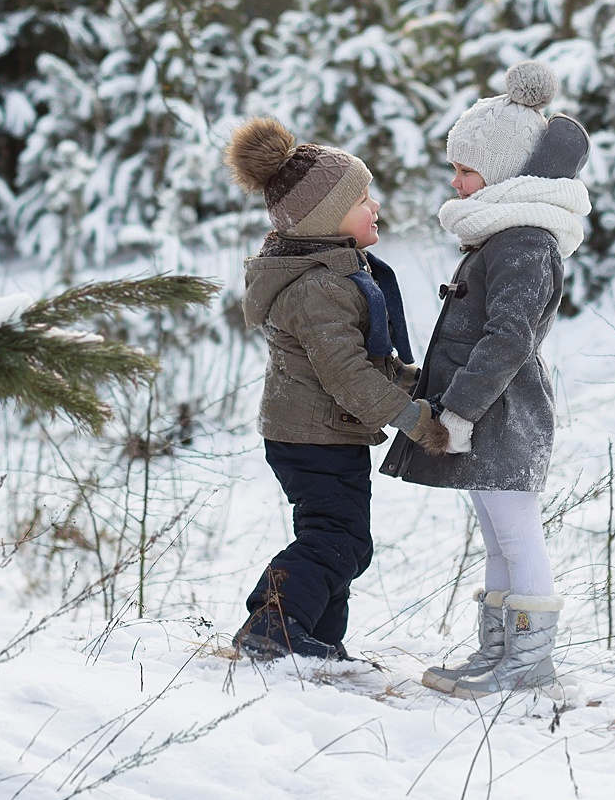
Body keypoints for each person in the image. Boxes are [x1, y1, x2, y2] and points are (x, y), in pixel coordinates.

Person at [382, 60, 591, 698]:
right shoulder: (502, 238)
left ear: (502, 173)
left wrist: (460, 410)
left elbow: (509, 339)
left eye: (466, 170)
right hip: (486, 413)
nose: (456, 181)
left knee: (516, 530)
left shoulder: (525, 243)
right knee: (497, 532)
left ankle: (528, 665)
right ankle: (498, 652)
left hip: (505, 413)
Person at [225, 116, 448, 661]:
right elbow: (345, 374)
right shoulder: (320, 287)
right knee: (337, 538)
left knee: (342, 537)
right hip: (312, 437)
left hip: (322, 433)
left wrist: (412, 382)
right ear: (326, 219)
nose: (374, 206)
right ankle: (274, 623)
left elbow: (359, 360)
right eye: (361, 199)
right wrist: (414, 420)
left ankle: (318, 638)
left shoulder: (333, 275)